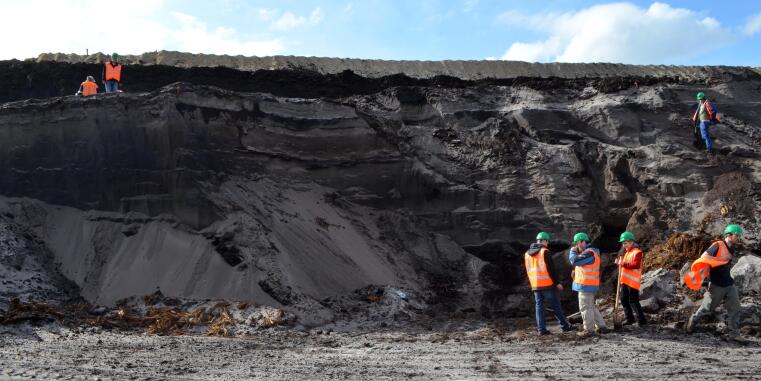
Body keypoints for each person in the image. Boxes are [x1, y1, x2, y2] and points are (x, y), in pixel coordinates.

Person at [684, 224, 743, 339]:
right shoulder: (717, 245)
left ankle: (734, 334)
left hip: (729, 284)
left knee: (735, 308)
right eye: (737, 235)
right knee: (707, 309)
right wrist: (720, 261)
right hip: (716, 284)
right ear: (729, 235)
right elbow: (704, 257)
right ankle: (694, 319)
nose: (739, 237)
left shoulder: (733, 248)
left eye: (739, 235)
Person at [524, 231, 573, 336]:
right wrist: (557, 283)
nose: (547, 244)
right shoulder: (544, 252)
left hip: (535, 285)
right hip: (547, 284)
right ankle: (565, 326)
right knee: (556, 306)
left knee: (539, 307)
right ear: (545, 241)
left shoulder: (527, 254)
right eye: (547, 242)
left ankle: (541, 330)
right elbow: (551, 270)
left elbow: (528, 270)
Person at [569, 232, 608, 337]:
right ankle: (602, 326)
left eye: (577, 243)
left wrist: (572, 252)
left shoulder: (589, 253)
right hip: (589, 285)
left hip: (585, 285)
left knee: (585, 308)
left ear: (582, 242)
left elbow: (574, 260)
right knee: (591, 307)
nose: (576, 246)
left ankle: (589, 330)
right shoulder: (592, 252)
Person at [615, 231, 647, 327]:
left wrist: (623, 263)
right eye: (623, 243)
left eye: (625, 243)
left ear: (631, 242)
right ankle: (630, 319)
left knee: (633, 300)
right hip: (625, 281)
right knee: (624, 299)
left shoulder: (637, 252)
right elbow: (624, 265)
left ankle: (642, 320)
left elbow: (635, 265)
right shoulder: (627, 253)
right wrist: (619, 263)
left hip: (633, 282)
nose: (623, 245)